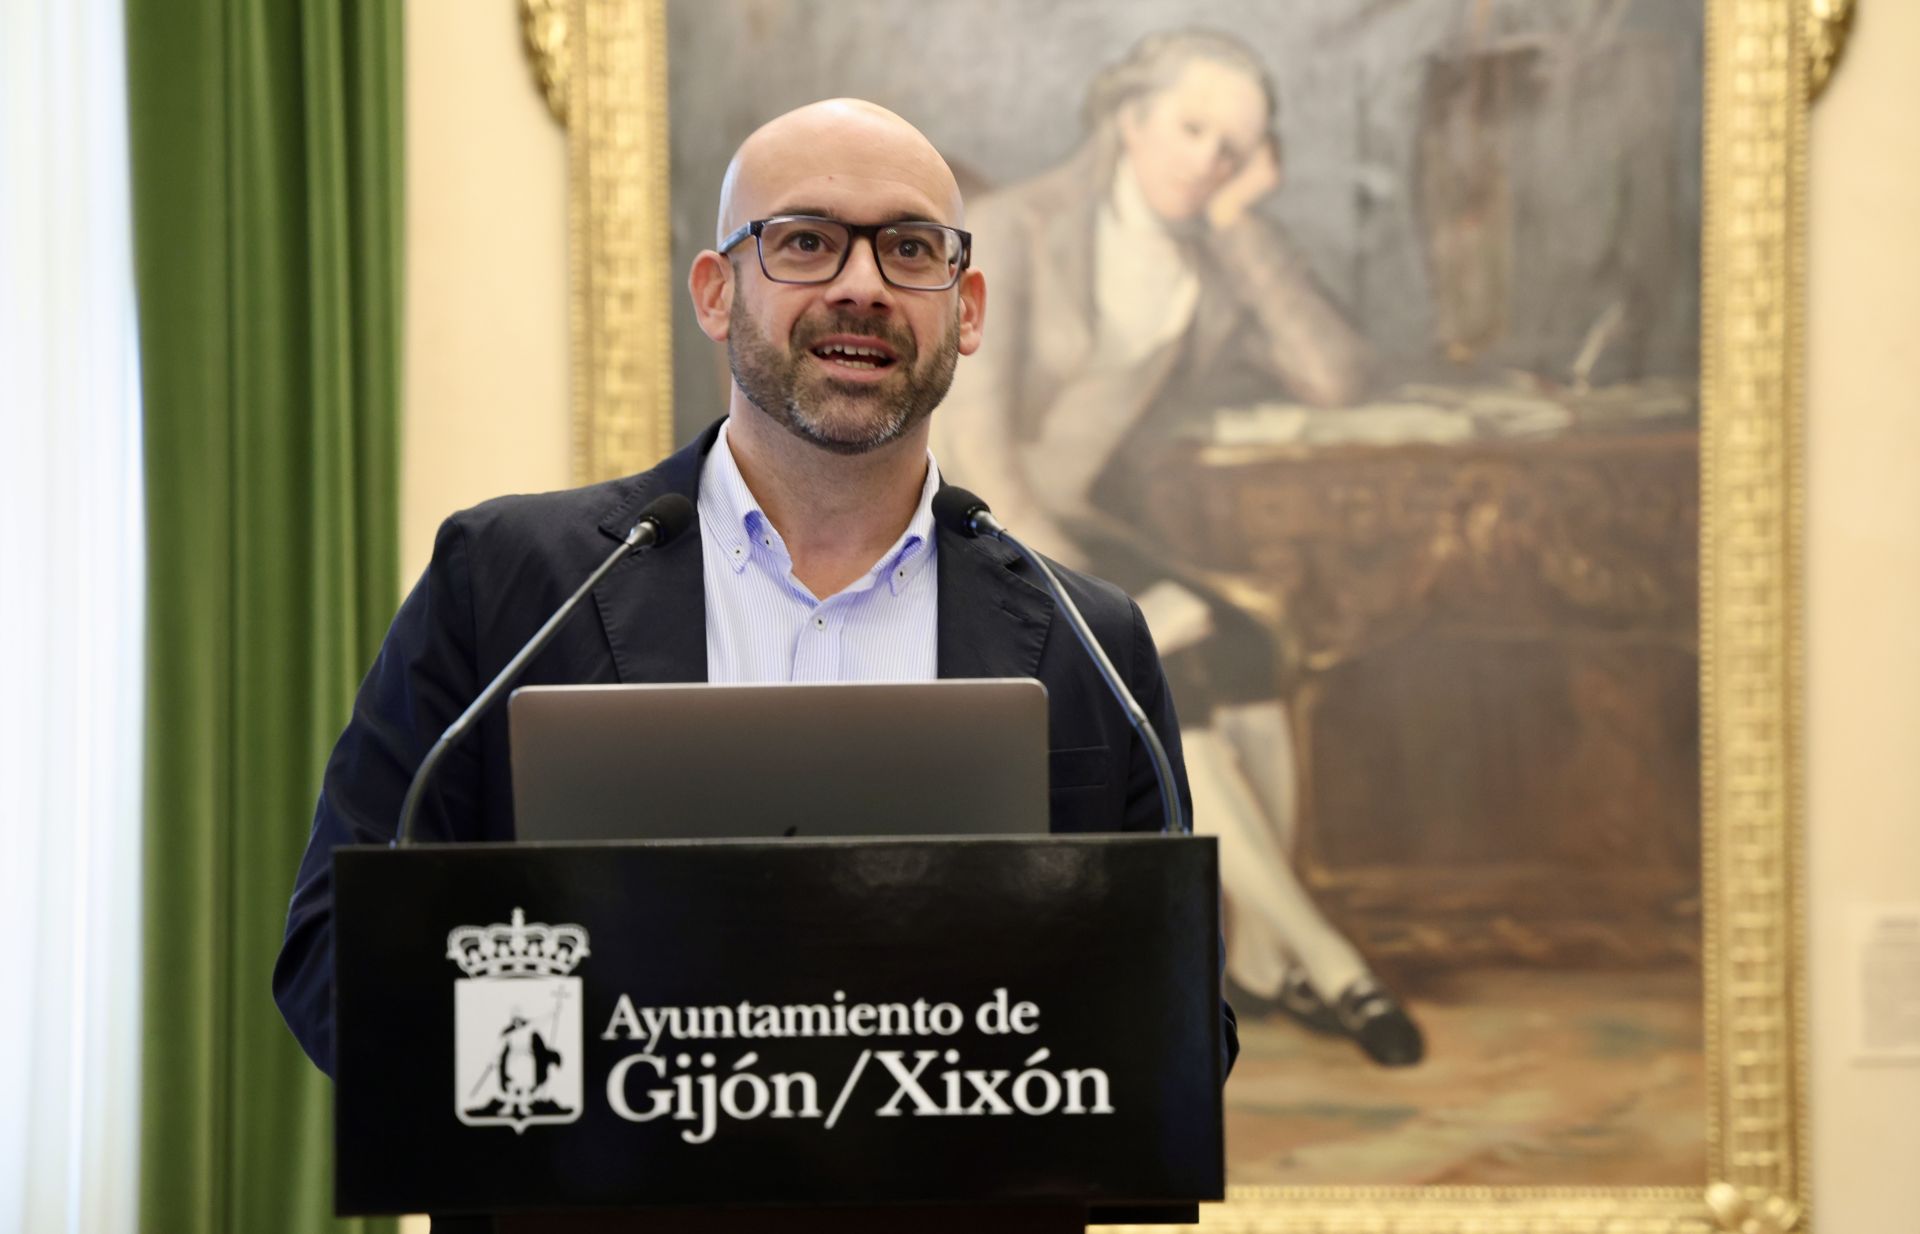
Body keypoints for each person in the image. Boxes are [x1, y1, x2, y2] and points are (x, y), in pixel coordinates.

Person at [273, 98, 1237, 1081]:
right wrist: (583, 1095)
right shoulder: (506, 582)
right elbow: (335, 959)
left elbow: (1186, 1026)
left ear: (968, 307)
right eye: (807, 242)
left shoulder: (1091, 640)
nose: (862, 287)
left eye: (910, 249)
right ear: (715, 293)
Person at [931, 30, 1423, 1066]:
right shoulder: (1017, 229)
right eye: (1195, 130)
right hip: (965, 531)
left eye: (1237, 147)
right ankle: (1330, 960)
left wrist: (1245, 228)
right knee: (1169, 660)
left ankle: (1254, 961)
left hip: (1074, 517)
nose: (1212, 160)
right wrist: (1105, 599)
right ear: (1130, 119)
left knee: (1245, 645)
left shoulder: (1205, 254)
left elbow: (1336, 375)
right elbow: (980, 462)